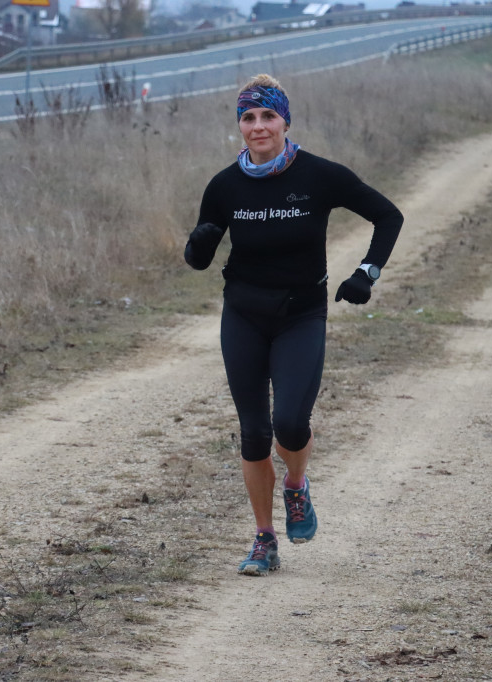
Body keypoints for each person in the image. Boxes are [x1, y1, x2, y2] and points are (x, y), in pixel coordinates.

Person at [184, 74, 403, 576]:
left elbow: (388, 216)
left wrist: (366, 274)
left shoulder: (320, 176)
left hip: (301, 315)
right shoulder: (224, 186)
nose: (258, 126)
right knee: (254, 433)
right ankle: (264, 540)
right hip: (243, 314)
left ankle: (296, 485)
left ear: (286, 121)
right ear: (240, 125)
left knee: (289, 424)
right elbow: (199, 259)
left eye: (268, 116)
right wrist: (198, 242)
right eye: (248, 117)